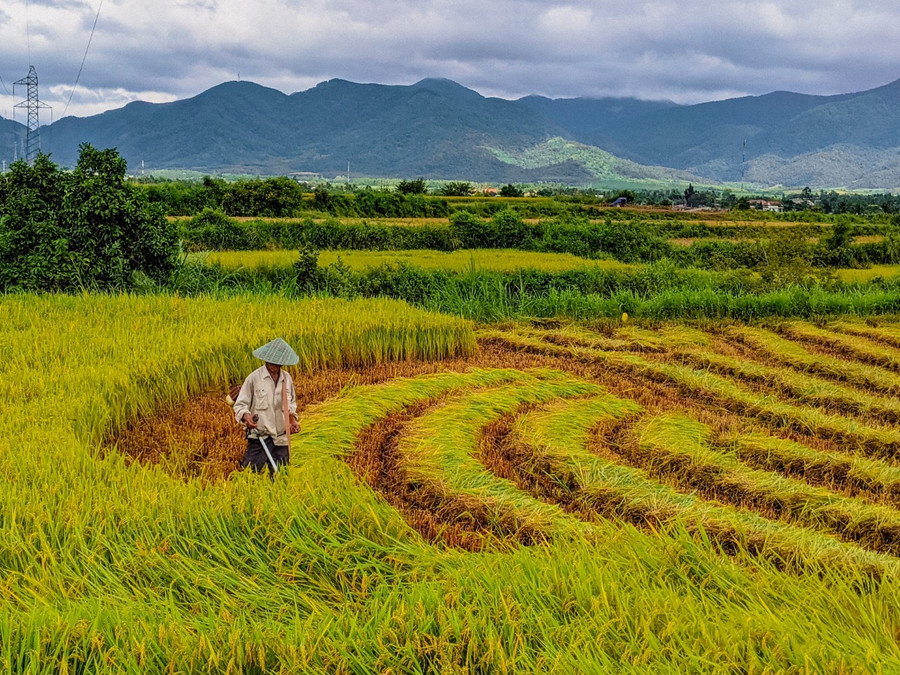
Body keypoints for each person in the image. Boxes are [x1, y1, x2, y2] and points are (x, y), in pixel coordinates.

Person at [233, 337, 300, 475]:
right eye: (273, 361)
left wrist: (292, 420)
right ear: (266, 359)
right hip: (260, 438)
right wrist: (247, 417)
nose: (275, 365)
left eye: (279, 362)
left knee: (281, 477)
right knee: (249, 477)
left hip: (281, 439)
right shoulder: (254, 378)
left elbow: (291, 403)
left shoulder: (286, 379)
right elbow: (240, 404)